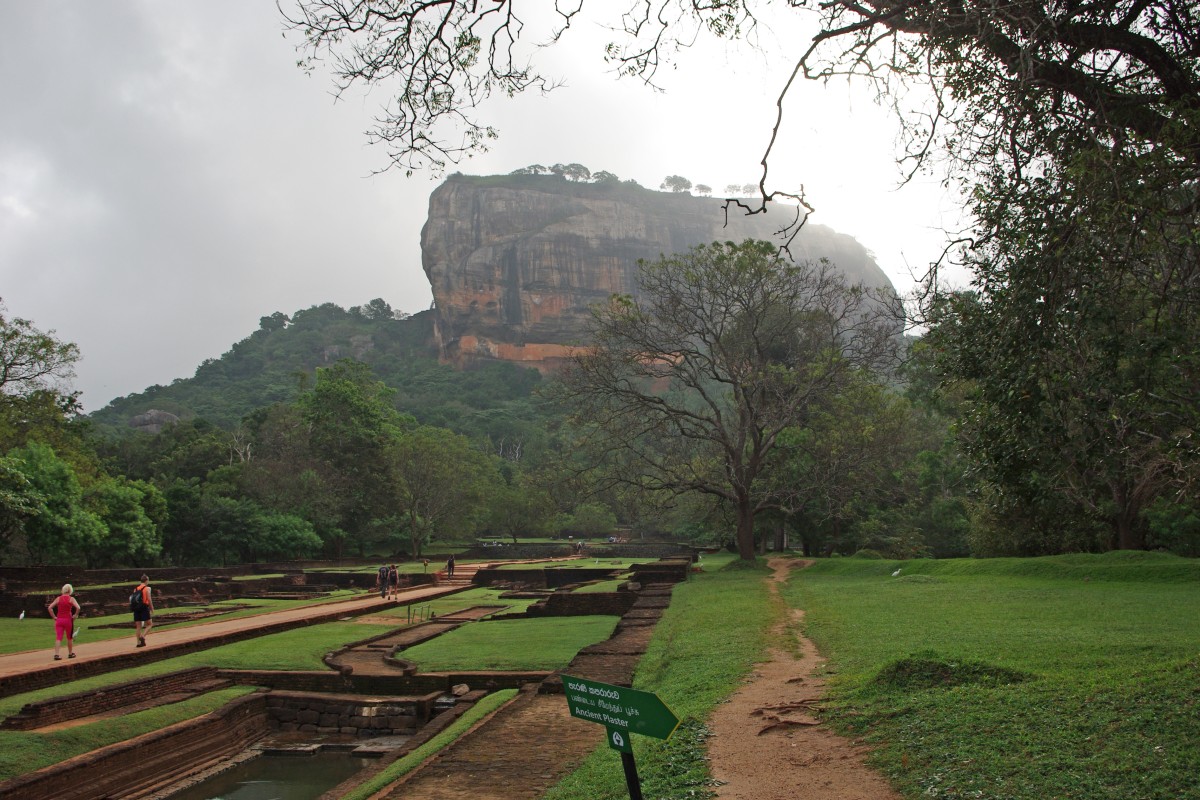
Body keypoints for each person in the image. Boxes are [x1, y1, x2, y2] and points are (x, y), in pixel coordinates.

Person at [47, 583, 81, 661]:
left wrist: (54, 617)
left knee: (58, 637)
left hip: (59, 619)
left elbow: (50, 608)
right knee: (69, 637)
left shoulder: (58, 598)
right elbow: (78, 607)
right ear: (70, 590)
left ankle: (56, 654)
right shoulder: (71, 599)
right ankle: (70, 653)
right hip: (68, 620)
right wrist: (75, 615)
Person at [131, 575, 153, 648]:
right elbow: (149, 599)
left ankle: (138, 642)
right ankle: (142, 637)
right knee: (149, 624)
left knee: (138, 626)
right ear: (146, 580)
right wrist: (151, 608)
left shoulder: (136, 589)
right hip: (143, 607)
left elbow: (133, 599)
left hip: (136, 608)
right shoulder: (146, 589)